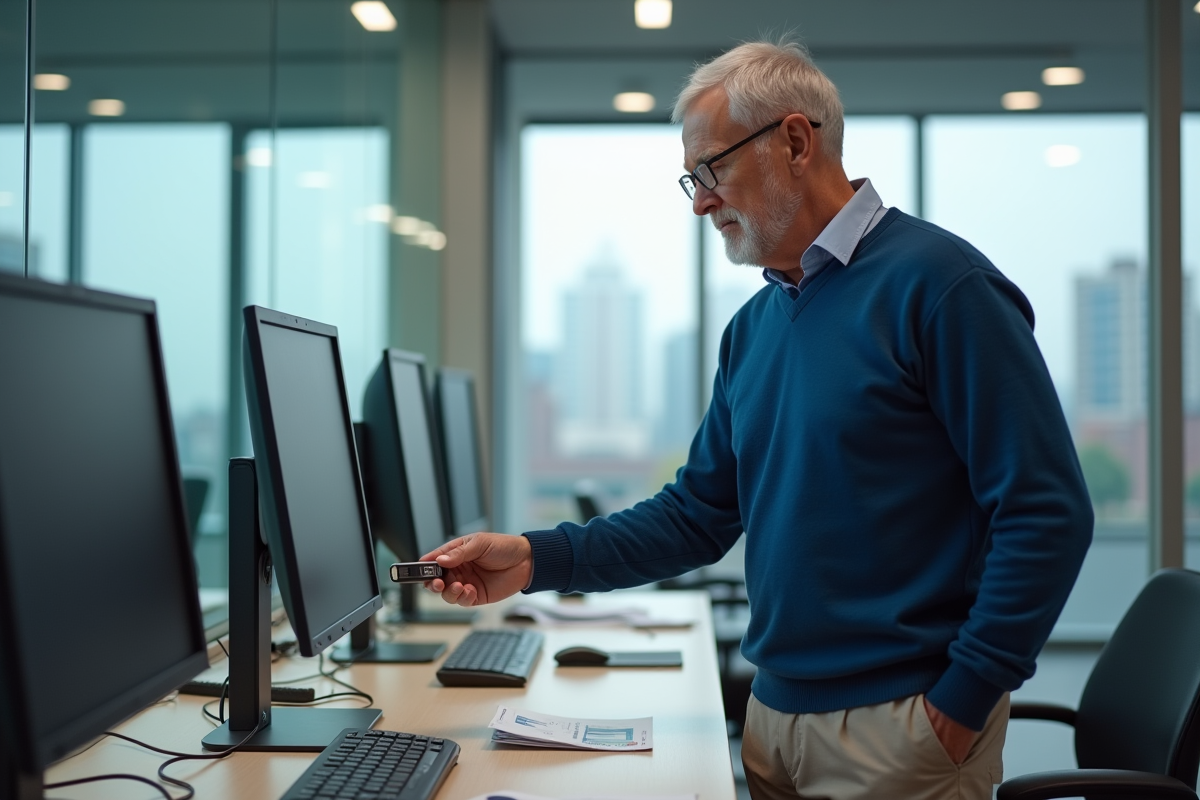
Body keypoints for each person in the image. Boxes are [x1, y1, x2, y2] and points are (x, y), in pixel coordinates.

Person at [421, 39, 1093, 800]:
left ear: (796, 142)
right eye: (691, 181)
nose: (702, 200)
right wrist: (535, 559)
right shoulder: (753, 329)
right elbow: (697, 516)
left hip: (902, 728)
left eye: (711, 170)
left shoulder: (941, 287)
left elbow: (1047, 512)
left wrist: (964, 699)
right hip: (774, 718)